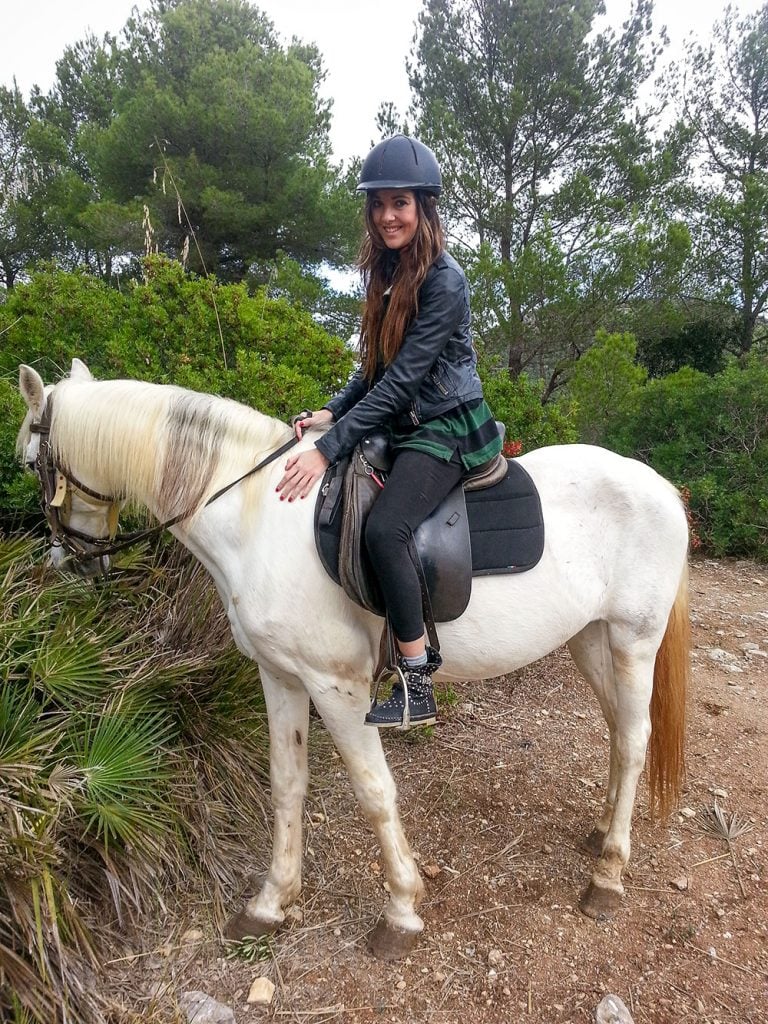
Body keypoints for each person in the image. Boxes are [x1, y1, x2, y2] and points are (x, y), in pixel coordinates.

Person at [276, 134, 501, 729]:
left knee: (385, 530)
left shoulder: (444, 281)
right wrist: (331, 411)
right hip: (406, 421)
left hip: (445, 426)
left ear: (423, 207)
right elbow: (374, 368)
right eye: (377, 205)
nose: (386, 216)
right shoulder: (388, 272)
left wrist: (329, 449)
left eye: (399, 203)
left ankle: (417, 679)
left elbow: (403, 382)